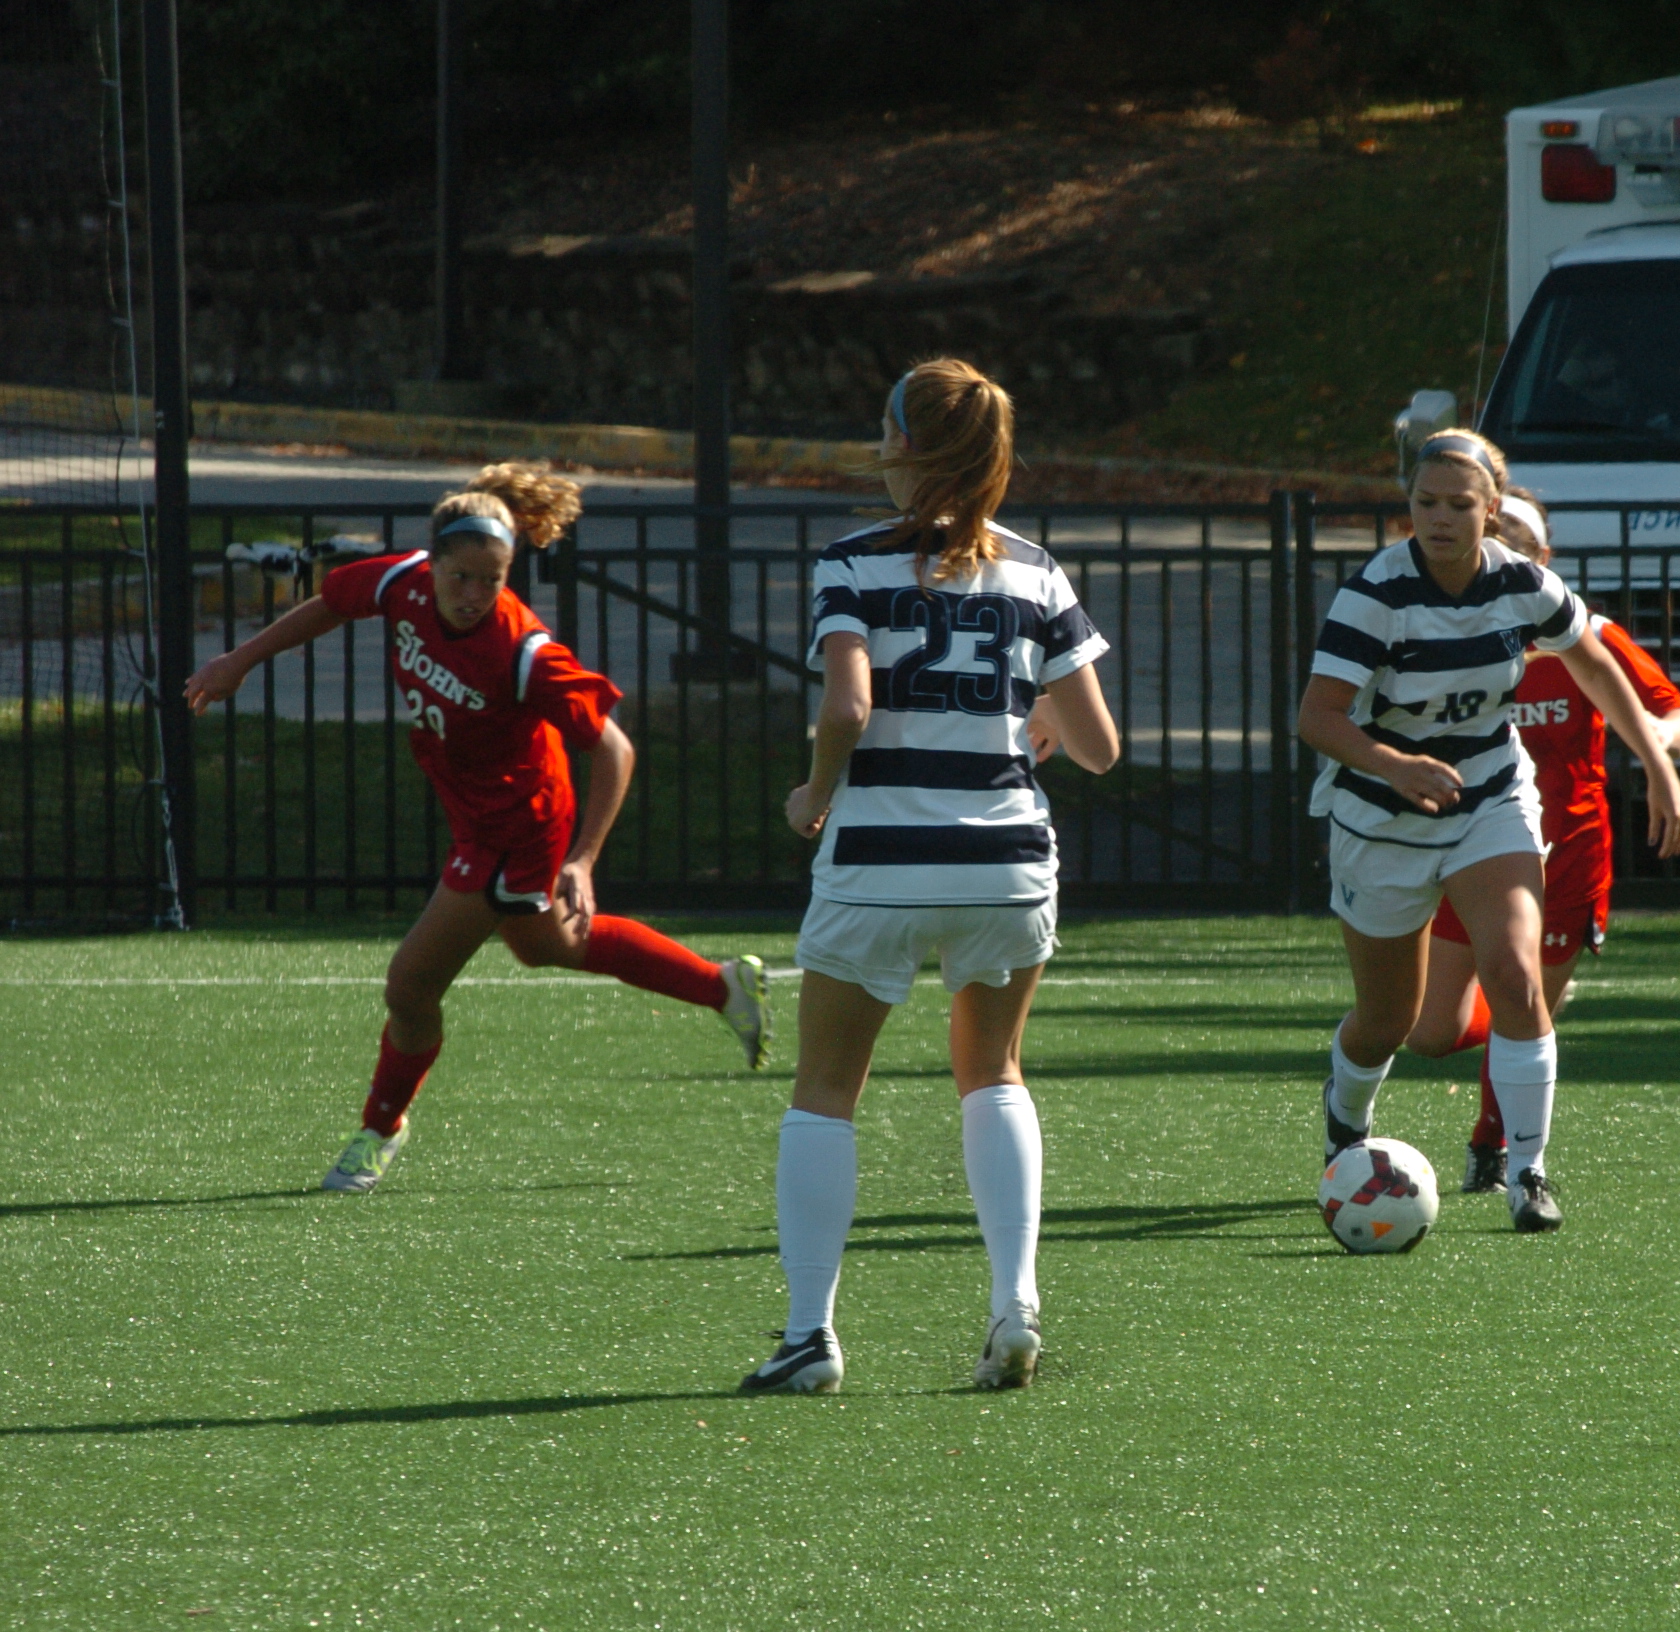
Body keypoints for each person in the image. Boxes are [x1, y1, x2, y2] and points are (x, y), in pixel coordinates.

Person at [182, 462, 773, 1194]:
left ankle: (379, 1130)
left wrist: (583, 859)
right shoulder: (401, 582)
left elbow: (615, 749)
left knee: (409, 985)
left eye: (491, 581)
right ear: (432, 563)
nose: (473, 595)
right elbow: (330, 603)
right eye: (461, 577)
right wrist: (239, 660)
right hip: (477, 807)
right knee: (546, 944)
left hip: (517, 822)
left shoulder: (522, 652)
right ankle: (722, 986)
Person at [740, 358, 1118, 1397]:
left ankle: (809, 1336)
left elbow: (848, 707)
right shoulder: (1037, 571)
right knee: (994, 1073)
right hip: (1007, 863)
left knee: (826, 1091)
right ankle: (1015, 1305)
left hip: (880, 863)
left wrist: (813, 794)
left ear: (904, 445)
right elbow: (1098, 748)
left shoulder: (852, 564)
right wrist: (1039, 713)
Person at [1297, 430, 1680, 1234]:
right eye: (1426, 502)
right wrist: (1395, 764)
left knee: (1516, 977)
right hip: (1381, 817)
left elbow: (1594, 661)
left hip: (1491, 797)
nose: (1440, 519)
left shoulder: (1524, 582)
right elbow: (1318, 718)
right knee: (1392, 1022)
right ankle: (1347, 1117)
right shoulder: (1376, 594)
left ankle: (1527, 1174)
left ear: (1490, 510)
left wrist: (1659, 766)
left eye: (1459, 504)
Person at [1400, 487, 1680, 1194]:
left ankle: (1495, 1146)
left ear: (1544, 555)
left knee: (1520, 995)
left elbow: (1677, 716)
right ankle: (1523, 1012)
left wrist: (1655, 747)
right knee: (1428, 1032)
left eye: (1520, 539)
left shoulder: (1584, 633)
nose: (1505, 548)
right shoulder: (1444, 631)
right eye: (1495, 533)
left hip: (1570, 856)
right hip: (1474, 847)